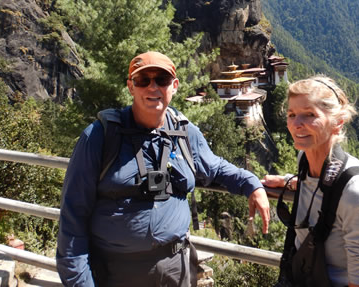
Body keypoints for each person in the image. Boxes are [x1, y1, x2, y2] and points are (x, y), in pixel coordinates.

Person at [56, 51, 270, 287]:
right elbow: (72, 218)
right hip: (114, 271)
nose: (152, 87)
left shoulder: (186, 133)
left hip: (175, 269)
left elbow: (215, 167)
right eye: (143, 80)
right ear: (131, 86)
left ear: (174, 85)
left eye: (162, 80)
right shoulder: (100, 136)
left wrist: (252, 183)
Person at [262, 75, 359, 287]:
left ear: (337, 123)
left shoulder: (358, 193)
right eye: (292, 114)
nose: (296, 124)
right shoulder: (305, 160)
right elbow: (322, 189)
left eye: (309, 115)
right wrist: (288, 182)